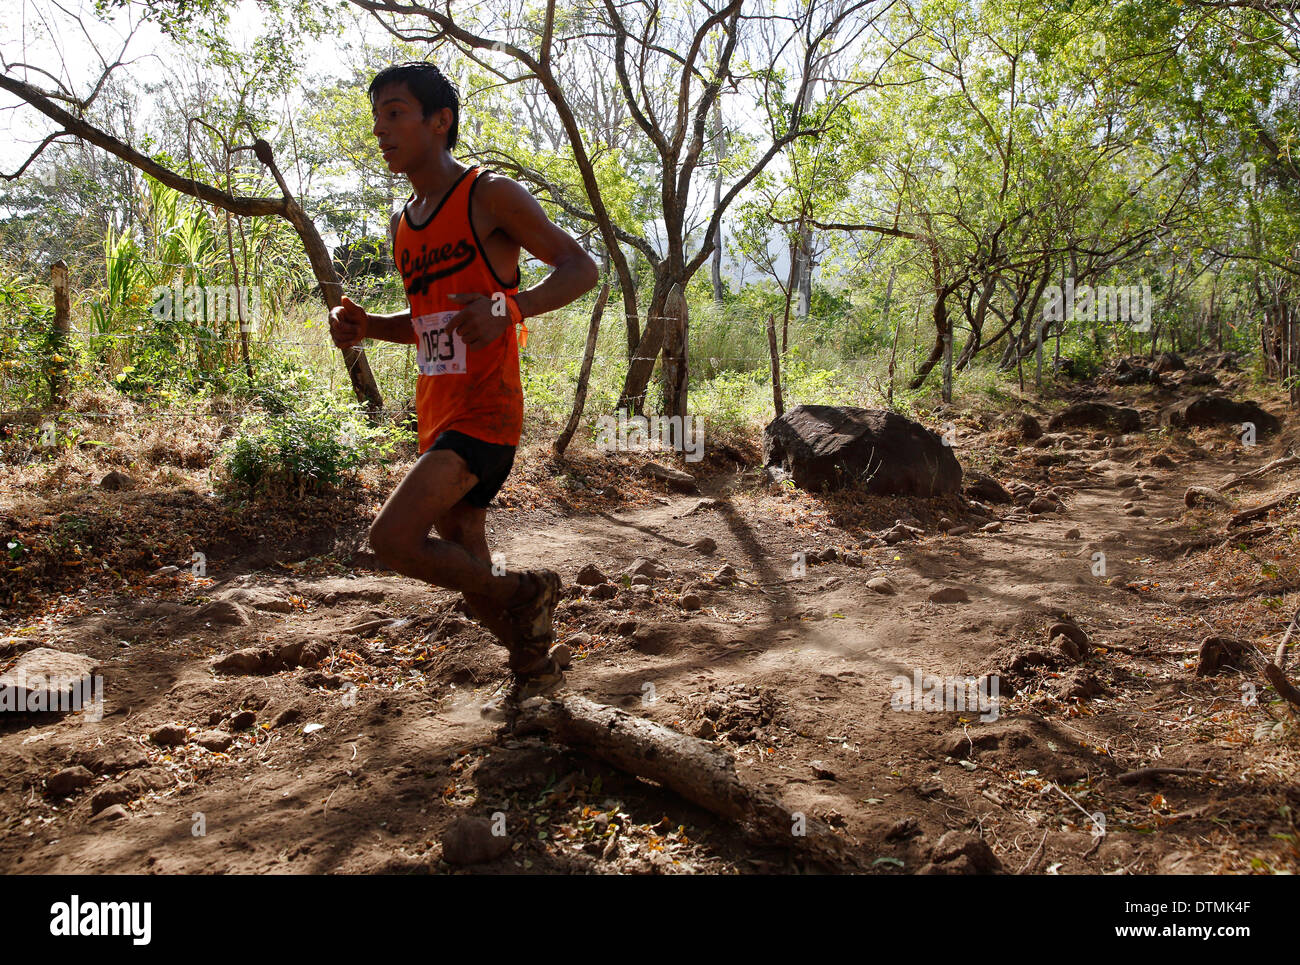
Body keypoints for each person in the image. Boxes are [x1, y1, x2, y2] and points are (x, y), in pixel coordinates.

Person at [329, 62, 598, 698]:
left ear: (439, 121)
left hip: (487, 411)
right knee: (467, 572)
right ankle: (535, 665)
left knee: (393, 538)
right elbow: (426, 324)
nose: (381, 129)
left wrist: (509, 306)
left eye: (395, 113)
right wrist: (368, 327)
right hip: (437, 411)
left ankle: (530, 589)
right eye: (377, 117)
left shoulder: (489, 196)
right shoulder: (404, 224)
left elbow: (580, 268)